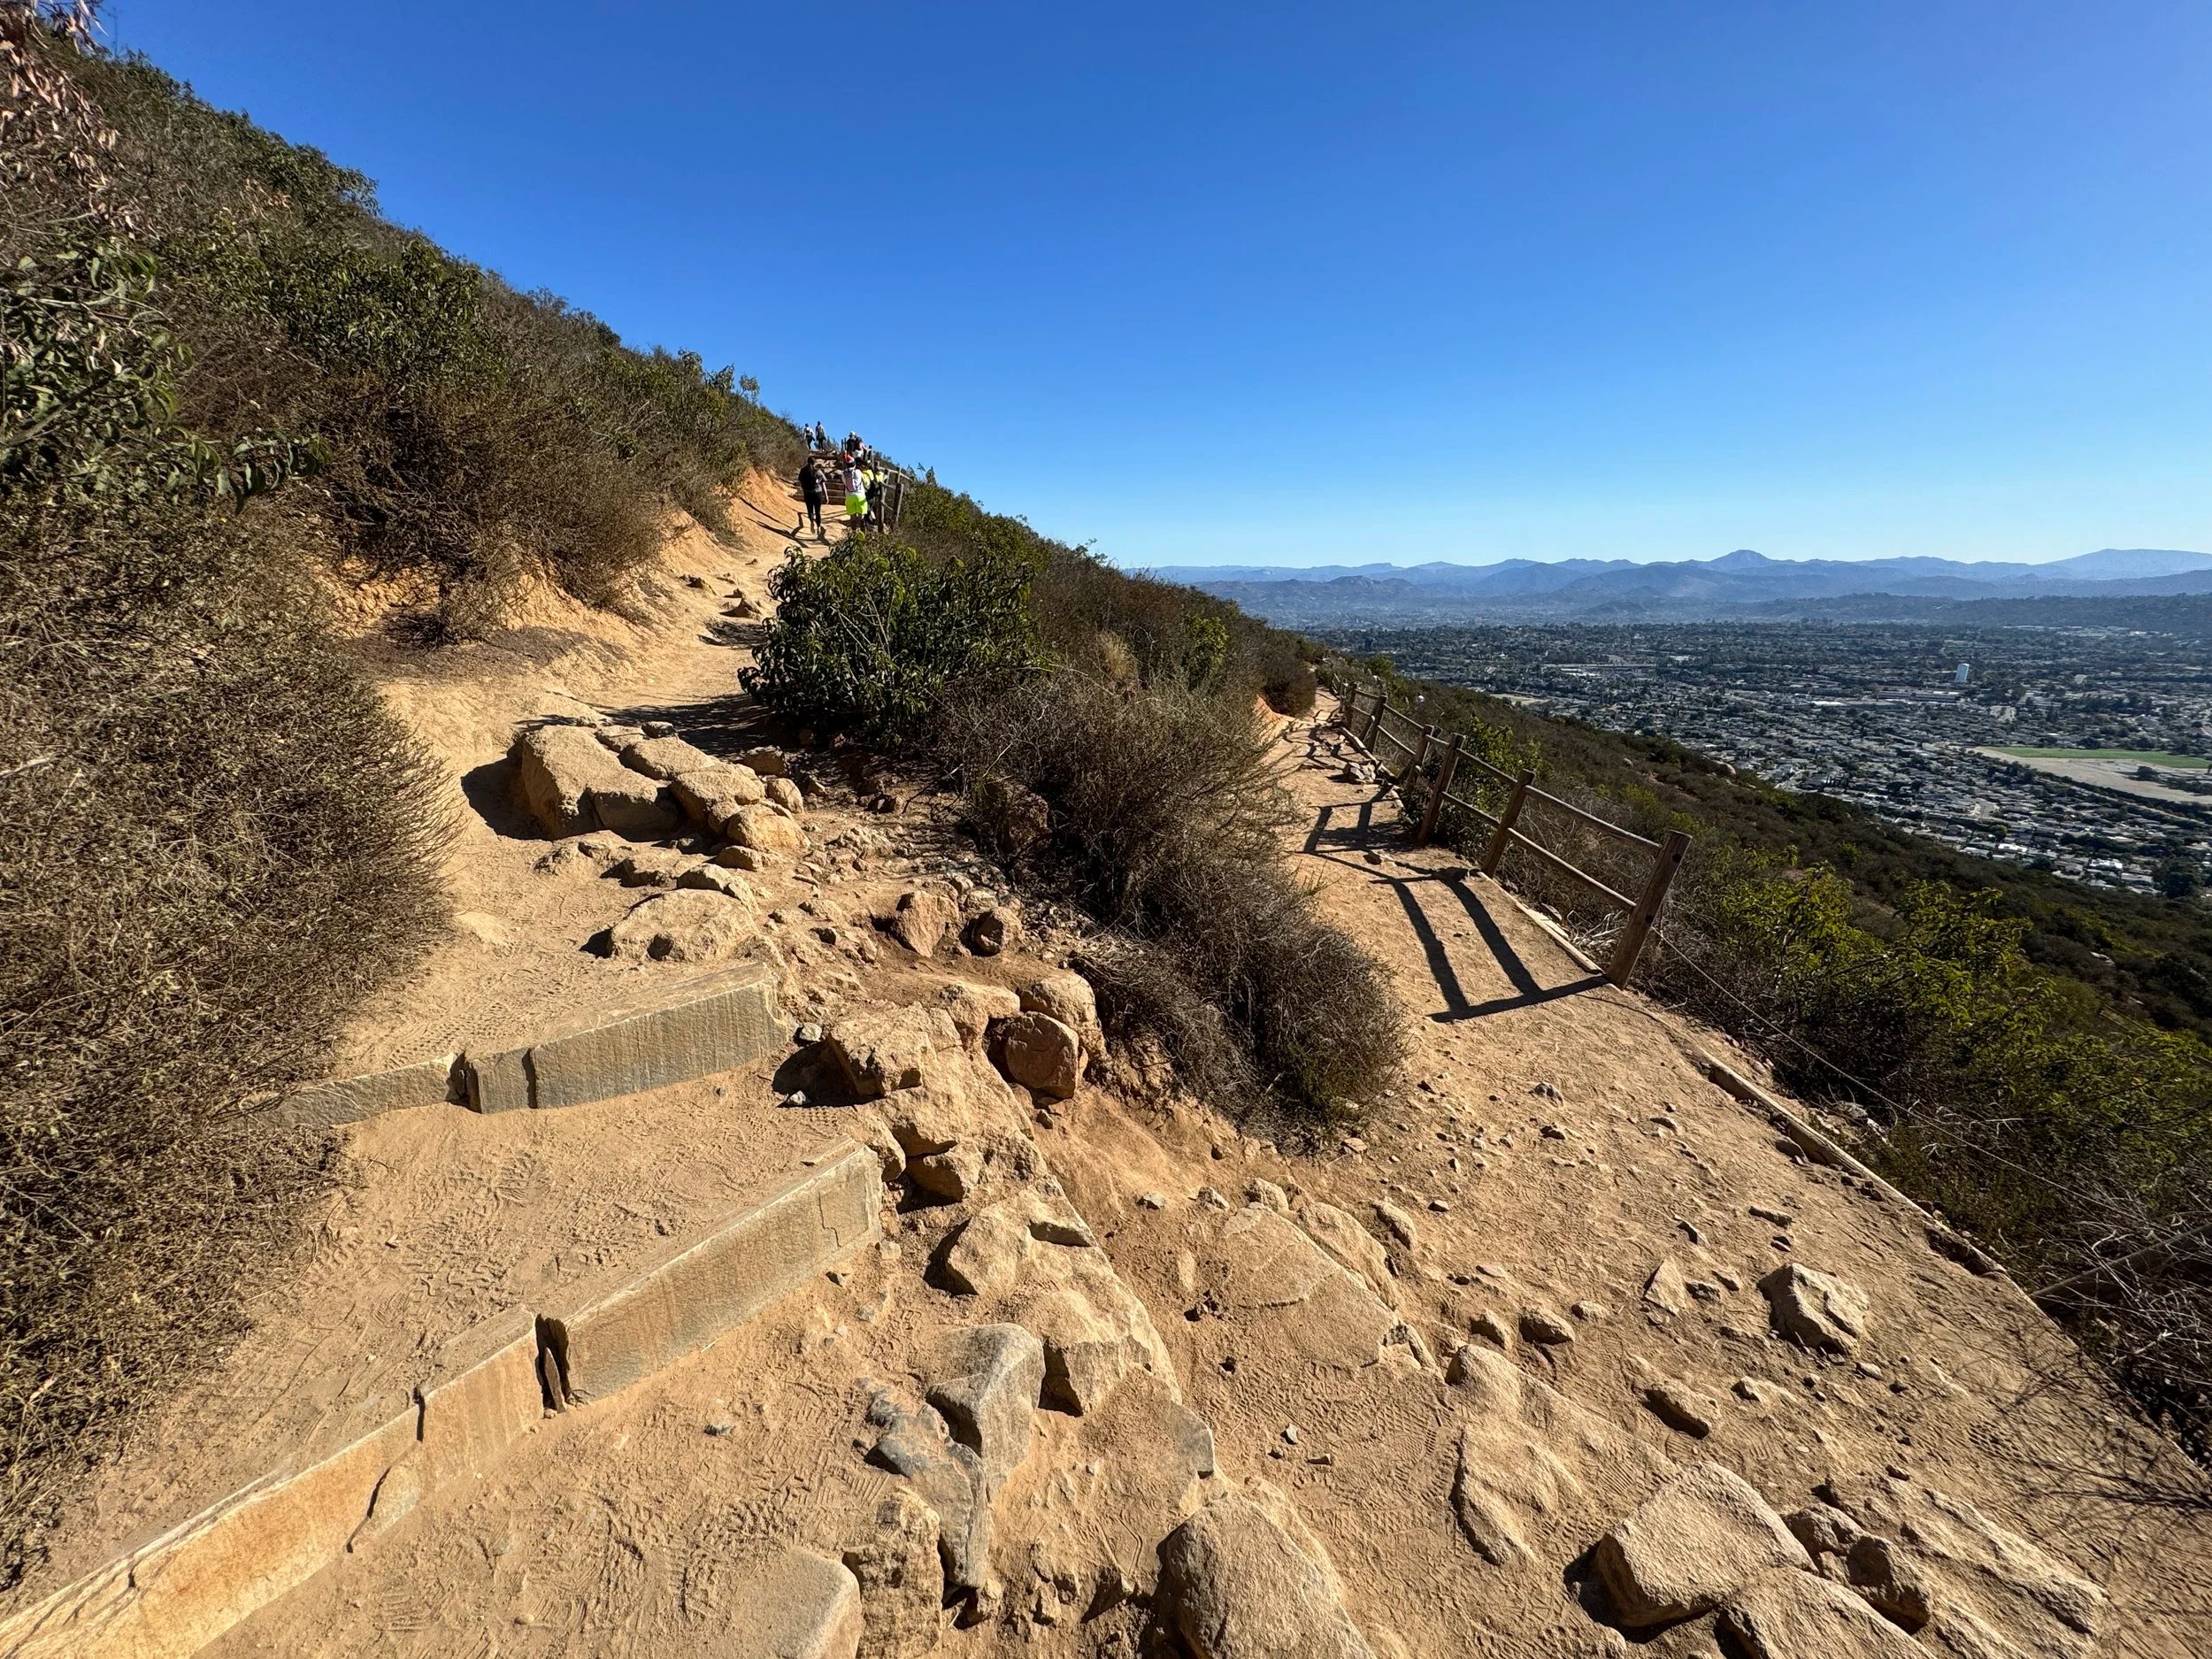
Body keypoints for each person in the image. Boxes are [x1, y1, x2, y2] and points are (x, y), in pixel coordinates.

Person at [796, 454, 826, 538]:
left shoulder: (803, 471)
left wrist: (804, 491)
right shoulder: (818, 472)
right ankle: (819, 527)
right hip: (817, 493)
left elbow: (801, 483)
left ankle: (812, 521)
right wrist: (826, 496)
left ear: (807, 462)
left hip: (807, 493)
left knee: (810, 510)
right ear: (815, 463)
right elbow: (823, 484)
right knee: (818, 511)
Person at [844, 456, 869, 527]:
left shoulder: (844, 473)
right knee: (861, 516)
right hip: (860, 495)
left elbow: (845, 483)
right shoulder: (858, 472)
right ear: (854, 464)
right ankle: (862, 533)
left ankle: (853, 533)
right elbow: (865, 482)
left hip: (849, 496)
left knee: (853, 517)